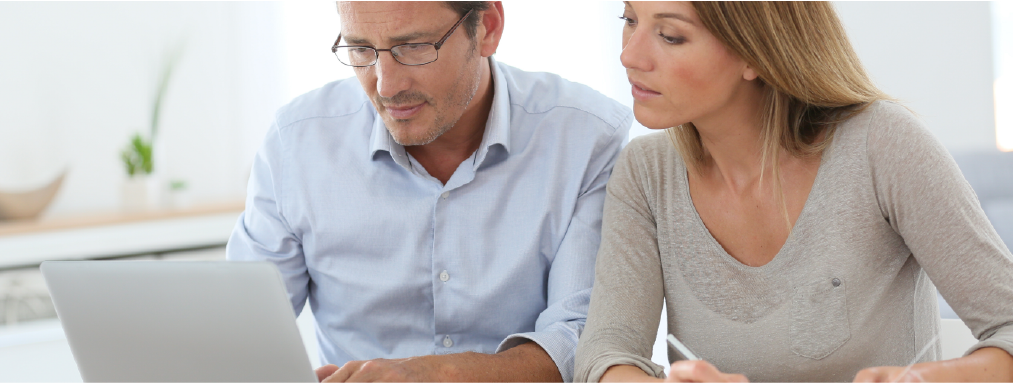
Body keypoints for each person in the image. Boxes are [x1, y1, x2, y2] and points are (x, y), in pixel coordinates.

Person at [574, 2, 1013, 383]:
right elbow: (605, 357)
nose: (629, 54)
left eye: (671, 36)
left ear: (756, 53)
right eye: (629, 18)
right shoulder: (645, 173)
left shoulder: (883, 145)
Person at [226, 1, 632, 383]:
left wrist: (439, 375)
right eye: (361, 49)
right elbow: (240, 331)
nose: (385, 86)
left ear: (488, 28)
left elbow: (584, 338)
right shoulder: (295, 143)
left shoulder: (587, 138)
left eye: (413, 47)